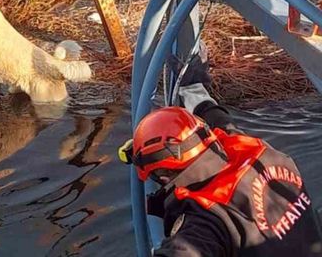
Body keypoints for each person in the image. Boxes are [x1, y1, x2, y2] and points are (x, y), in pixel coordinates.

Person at [119, 46, 322, 257]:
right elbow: (215, 116)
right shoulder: (254, 151)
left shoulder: (209, 218)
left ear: (161, 175)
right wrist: (193, 88)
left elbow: (189, 249)